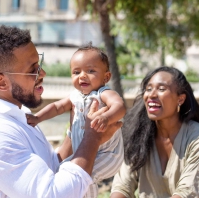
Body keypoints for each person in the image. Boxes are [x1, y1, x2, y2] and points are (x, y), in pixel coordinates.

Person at [0, 25, 122, 198]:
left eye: (39, 64)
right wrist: (92, 137)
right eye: (32, 70)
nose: (42, 73)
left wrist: (76, 126)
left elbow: (51, 164)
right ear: (1, 83)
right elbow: (54, 194)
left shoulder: (20, 114)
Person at [26, 43, 126, 197]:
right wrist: (37, 117)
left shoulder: (103, 93)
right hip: (87, 153)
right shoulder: (75, 96)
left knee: (84, 175)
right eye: (76, 72)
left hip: (108, 154)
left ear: (106, 77)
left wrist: (106, 117)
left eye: (91, 71)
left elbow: (119, 106)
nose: (82, 76)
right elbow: (57, 107)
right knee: (64, 169)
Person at [110, 66, 199, 198]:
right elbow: (122, 186)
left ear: (180, 99)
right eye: (148, 89)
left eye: (161, 89)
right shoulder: (136, 135)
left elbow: (187, 193)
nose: (152, 95)